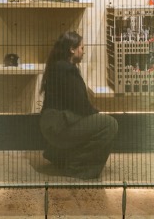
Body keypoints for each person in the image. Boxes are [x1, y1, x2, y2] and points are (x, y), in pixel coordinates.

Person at [39, 31, 118, 179]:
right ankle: (78, 167)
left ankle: (59, 155)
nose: (84, 51)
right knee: (109, 124)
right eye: (81, 48)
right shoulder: (67, 70)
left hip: (51, 124)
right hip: (59, 125)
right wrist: (96, 112)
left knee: (94, 123)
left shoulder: (57, 66)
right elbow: (80, 104)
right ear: (72, 49)